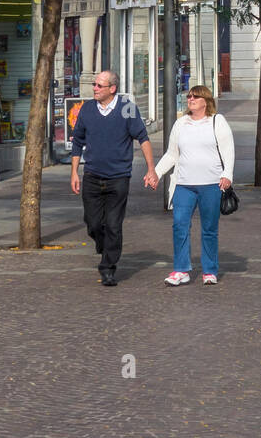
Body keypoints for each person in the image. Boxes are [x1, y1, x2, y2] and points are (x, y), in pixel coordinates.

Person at [70, 70, 159, 286]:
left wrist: (151, 169)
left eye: (100, 85)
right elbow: (78, 142)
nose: (95, 88)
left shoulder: (127, 108)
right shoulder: (87, 108)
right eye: (94, 84)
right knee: (92, 224)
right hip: (92, 175)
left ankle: (108, 268)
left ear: (112, 88)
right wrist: (74, 172)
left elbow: (143, 138)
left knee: (113, 224)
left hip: (118, 177)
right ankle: (103, 245)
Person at [154, 85, 234, 286]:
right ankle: (181, 270)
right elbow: (172, 154)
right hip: (184, 184)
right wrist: (156, 172)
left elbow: (228, 150)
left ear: (205, 101)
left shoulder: (217, 121)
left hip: (211, 184)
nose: (190, 99)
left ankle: (209, 270)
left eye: (195, 97)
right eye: (189, 96)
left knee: (209, 228)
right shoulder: (181, 124)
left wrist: (227, 174)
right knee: (179, 225)